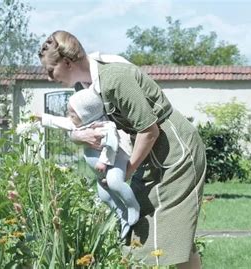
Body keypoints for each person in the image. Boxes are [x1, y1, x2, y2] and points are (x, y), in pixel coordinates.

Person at [38, 30, 206, 268]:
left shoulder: (115, 77)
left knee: (165, 230)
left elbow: (150, 130)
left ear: (66, 62)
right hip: (150, 153)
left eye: (50, 70)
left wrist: (127, 170)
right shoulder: (85, 90)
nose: (48, 77)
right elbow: (83, 129)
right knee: (158, 231)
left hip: (175, 150)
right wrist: (78, 135)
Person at [40, 88, 140, 239]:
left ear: (86, 115)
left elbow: (112, 144)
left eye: (73, 115)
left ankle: (133, 206)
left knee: (114, 182)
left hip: (115, 162)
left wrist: (103, 161)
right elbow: (60, 122)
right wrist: (42, 117)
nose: (69, 117)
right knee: (104, 196)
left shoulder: (105, 126)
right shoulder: (81, 124)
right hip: (100, 172)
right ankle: (121, 212)